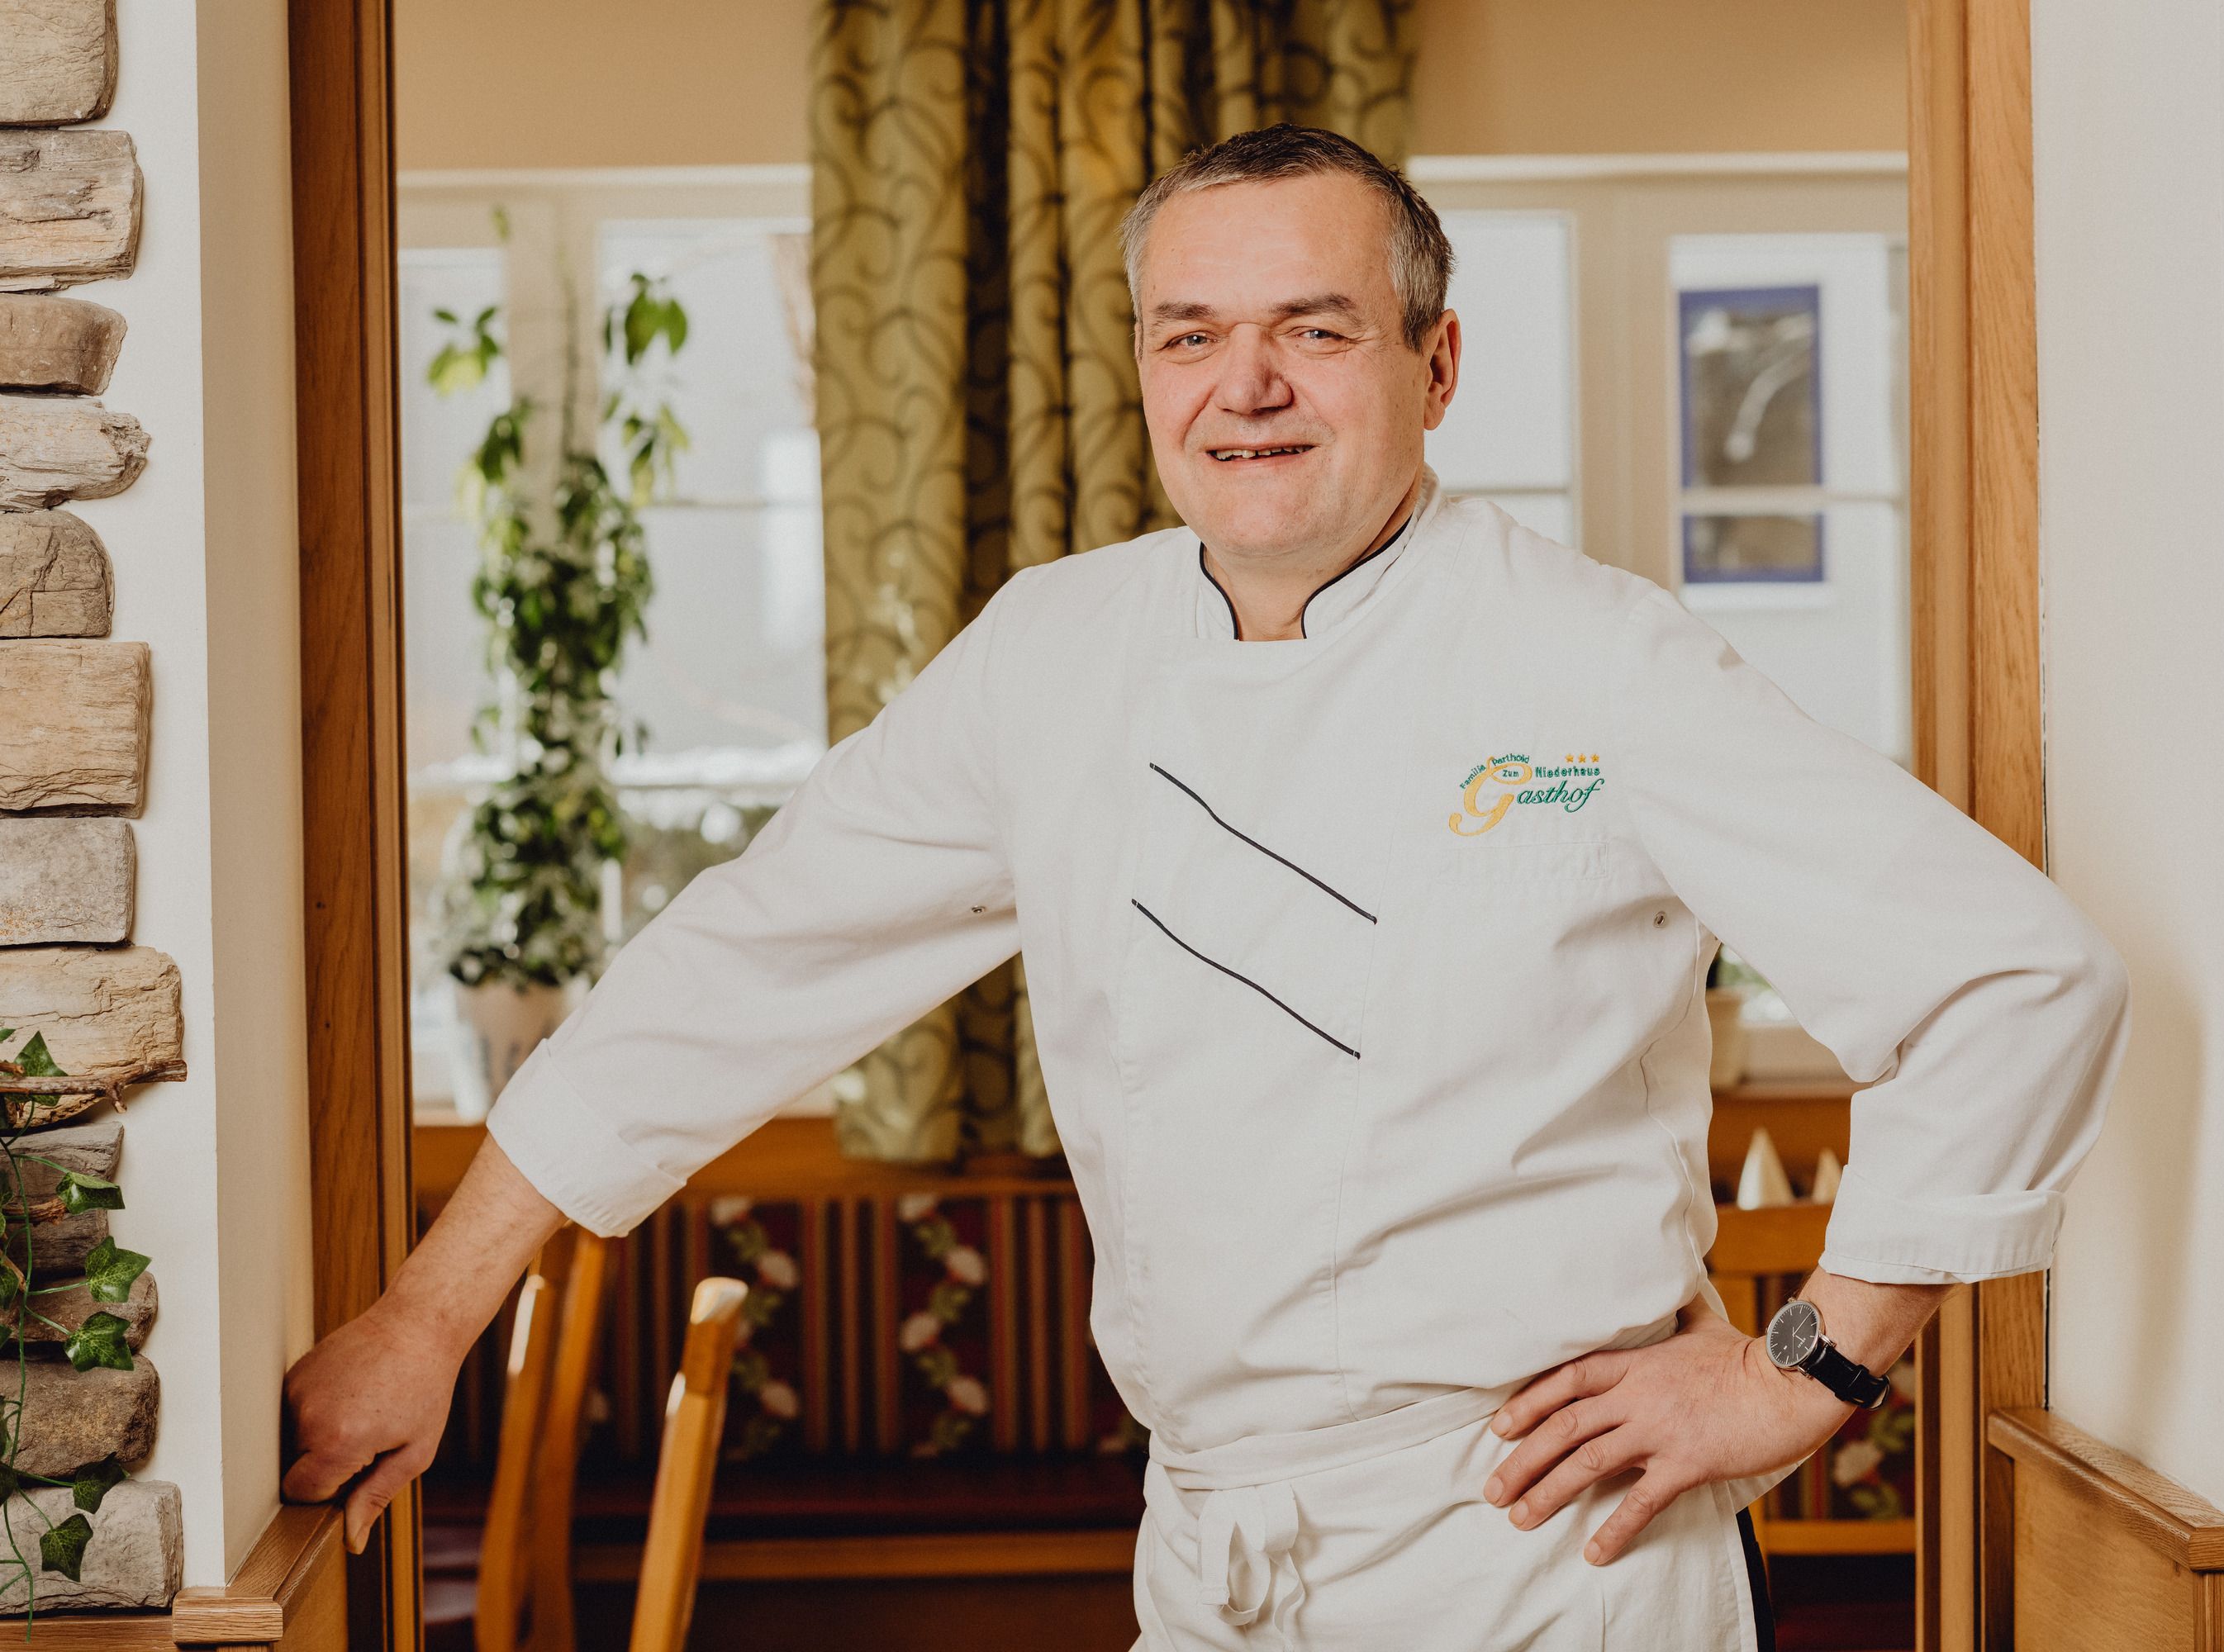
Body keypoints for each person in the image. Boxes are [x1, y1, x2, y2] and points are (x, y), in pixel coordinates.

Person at [283, 125, 2128, 1650]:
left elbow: (2016, 977)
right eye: (1191, 334)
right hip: (1213, 1550)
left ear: (1437, 363)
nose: (1243, 387)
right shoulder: (1049, 657)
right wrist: (429, 1318)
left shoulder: (1597, 662)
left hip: (1549, 1556)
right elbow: (734, 973)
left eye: (1314, 331)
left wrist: (1815, 1365)